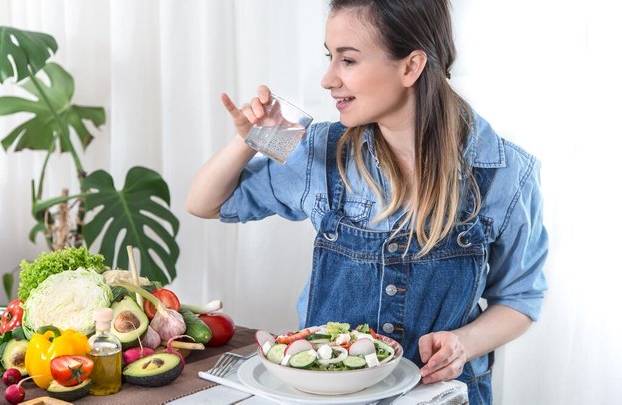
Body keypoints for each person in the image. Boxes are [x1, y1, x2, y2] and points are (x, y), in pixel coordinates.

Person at [186, 0, 547, 403]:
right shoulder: (319, 150)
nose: (327, 79)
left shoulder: (506, 170)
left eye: (348, 60)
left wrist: (463, 343)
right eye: (329, 57)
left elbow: (520, 298)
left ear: (411, 66)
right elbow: (204, 203)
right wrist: (248, 138)